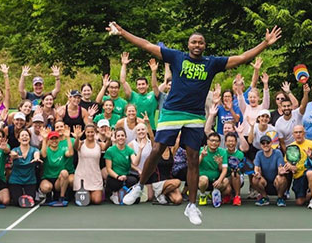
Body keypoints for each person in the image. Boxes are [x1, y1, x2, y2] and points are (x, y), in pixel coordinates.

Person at [114, 22, 282, 225]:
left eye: (200, 42)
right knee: (157, 148)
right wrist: (123, 32)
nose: (197, 44)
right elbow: (147, 45)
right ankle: (139, 186)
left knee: (194, 158)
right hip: (172, 111)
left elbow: (242, 58)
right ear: (188, 44)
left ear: (204, 46)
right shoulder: (177, 57)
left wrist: (264, 43)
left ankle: (192, 206)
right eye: (193, 41)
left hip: (194, 115)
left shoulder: (211, 63)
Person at [120, 52, 160, 130]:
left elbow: (157, 85)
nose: (141, 86)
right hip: (135, 128)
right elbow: (123, 81)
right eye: (139, 84)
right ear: (136, 86)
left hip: (150, 128)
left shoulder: (153, 95)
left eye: (143, 84)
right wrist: (124, 65)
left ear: (147, 85)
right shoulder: (132, 96)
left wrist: (154, 71)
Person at [285, 125, 312, 209]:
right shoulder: (290, 147)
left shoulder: (311, 144)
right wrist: (290, 166)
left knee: (310, 173)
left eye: (300, 132)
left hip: (310, 174)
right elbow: (287, 162)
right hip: (298, 176)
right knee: (299, 202)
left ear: (304, 133)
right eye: (296, 132)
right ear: (293, 135)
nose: (298, 134)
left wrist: (311, 156)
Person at [39, 127, 74, 206]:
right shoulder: (46, 150)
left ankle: (62, 198)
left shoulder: (62, 149)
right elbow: (43, 154)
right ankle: (48, 197)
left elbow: (71, 153)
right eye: (52, 139)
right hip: (48, 179)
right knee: (46, 187)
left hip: (59, 180)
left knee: (65, 172)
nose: (54, 140)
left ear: (59, 140)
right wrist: (44, 139)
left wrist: (68, 138)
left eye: (56, 138)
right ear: (49, 140)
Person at [105, 128, 140, 204]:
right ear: (116, 138)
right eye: (118, 136)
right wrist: (118, 177)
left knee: (133, 180)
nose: (120, 137)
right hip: (114, 178)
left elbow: (135, 162)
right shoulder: (110, 151)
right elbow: (109, 169)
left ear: (125, 137)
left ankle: (125, 194)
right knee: (113, 182)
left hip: (126, 177)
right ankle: (114, 194)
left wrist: (140, 150)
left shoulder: (129, 150)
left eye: (122, 135)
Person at [251, 135, 288, 206]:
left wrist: (281, 171)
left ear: (271, 143)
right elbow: (256, 167)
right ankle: (264, 198)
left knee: (281, 178)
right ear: (261, 145)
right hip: (265, 184)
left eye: (267, 143)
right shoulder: (259, 154)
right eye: (263, 143)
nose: (265, 145)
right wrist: (257, 173)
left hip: (276, 184)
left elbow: (280, 167)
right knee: (254, 179)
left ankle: (280, 198)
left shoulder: (277, 153)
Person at [8, 129, 42, 206]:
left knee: (30, 201)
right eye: (22, 135)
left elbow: (37, 154)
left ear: (29, 138)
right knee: (17, 202)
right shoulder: (15, 150)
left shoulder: (34, 150)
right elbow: (12, 154)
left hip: (30, 180)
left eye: (26, 135)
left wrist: (36, 158)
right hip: (16, 180)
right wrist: (14, 156)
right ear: (19, 139)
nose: (24, 137)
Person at [73, 124, 104, 205]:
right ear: (85, 133)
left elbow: (106, 146)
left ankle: (98, 193)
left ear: (95, 132)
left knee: (97, 200)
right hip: (82, 177)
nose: (90, 134)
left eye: (92, 132)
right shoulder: (80, 143)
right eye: (88, 132)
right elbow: (75, 147)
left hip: (95, 177)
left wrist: (109, 139)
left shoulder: (99, 144)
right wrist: (77, 137)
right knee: (85, 201)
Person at [198, 132, 230, 205]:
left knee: (225, 181)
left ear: (219, 143)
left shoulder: (223, 152)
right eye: (212, 140)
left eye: (216, 141)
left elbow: (224, 169)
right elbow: (194, 166)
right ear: (207, 141)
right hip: (202, 180)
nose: (214, 143)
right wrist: (201, 156)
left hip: (215, 181)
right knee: (204, 179)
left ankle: (213, 192)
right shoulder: (201, 150)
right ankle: (202, 195)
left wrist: (219, 180)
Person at [223, 132, 245, 206]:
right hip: (226, 178)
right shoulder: (222, 153)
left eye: (232, 141)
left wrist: (237, 169)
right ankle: (227, 195)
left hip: (237, 178)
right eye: (229, 141)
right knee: (227, 189)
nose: (231, 143)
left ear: (236, 142)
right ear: (225, 142)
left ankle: (237, 196)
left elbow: (241, 169)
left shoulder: (240, 154)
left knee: (234, 174)